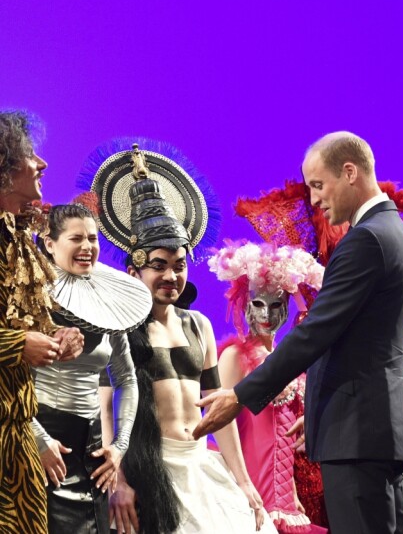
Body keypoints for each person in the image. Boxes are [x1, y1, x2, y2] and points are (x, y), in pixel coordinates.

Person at [195, 131, 403, 534]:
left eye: (318, 185)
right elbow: (358, 341)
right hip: (379, 428)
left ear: (349, 172)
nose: (314, 200)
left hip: (358, 435)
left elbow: (318, 331)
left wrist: (241, 395)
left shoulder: (365, 240)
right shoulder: (397, 234)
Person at [81, 140, 276, 533]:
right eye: (159, 265)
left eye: (178, 265)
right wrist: (117, 480)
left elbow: (219, 412)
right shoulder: (118, 330)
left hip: (200, 463)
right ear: (135, 271)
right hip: (150, 470)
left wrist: (243, 481)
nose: (171, 276)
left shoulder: (198, 325)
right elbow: (103, 410)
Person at [32, 202, 151, 532]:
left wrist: (119, 448)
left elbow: (126, 377)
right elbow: (8, 380)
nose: (87, 247)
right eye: (76, 239)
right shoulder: (31, 297)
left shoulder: (108, 300)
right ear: (50, 243)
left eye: (93, 239)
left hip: (94, 450)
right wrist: (38, 440)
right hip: (46, 441)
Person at [0, 109, 84, 532]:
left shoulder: (16, 238)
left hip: (17, 439)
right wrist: (20, 345)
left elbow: (23, 320)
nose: (42, 163)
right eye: (29, 154)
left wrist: (59, 336)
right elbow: (16, 338)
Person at [211, 240, 327, 533]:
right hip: (250, 496)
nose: (266, 314)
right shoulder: (235, 356)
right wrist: (242, 484)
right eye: (258, 304)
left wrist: (293, 492)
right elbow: (220, 421)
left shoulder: (284, 360)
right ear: (245, 304)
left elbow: (282, 434)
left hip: (287, 505)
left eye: (276, 305)